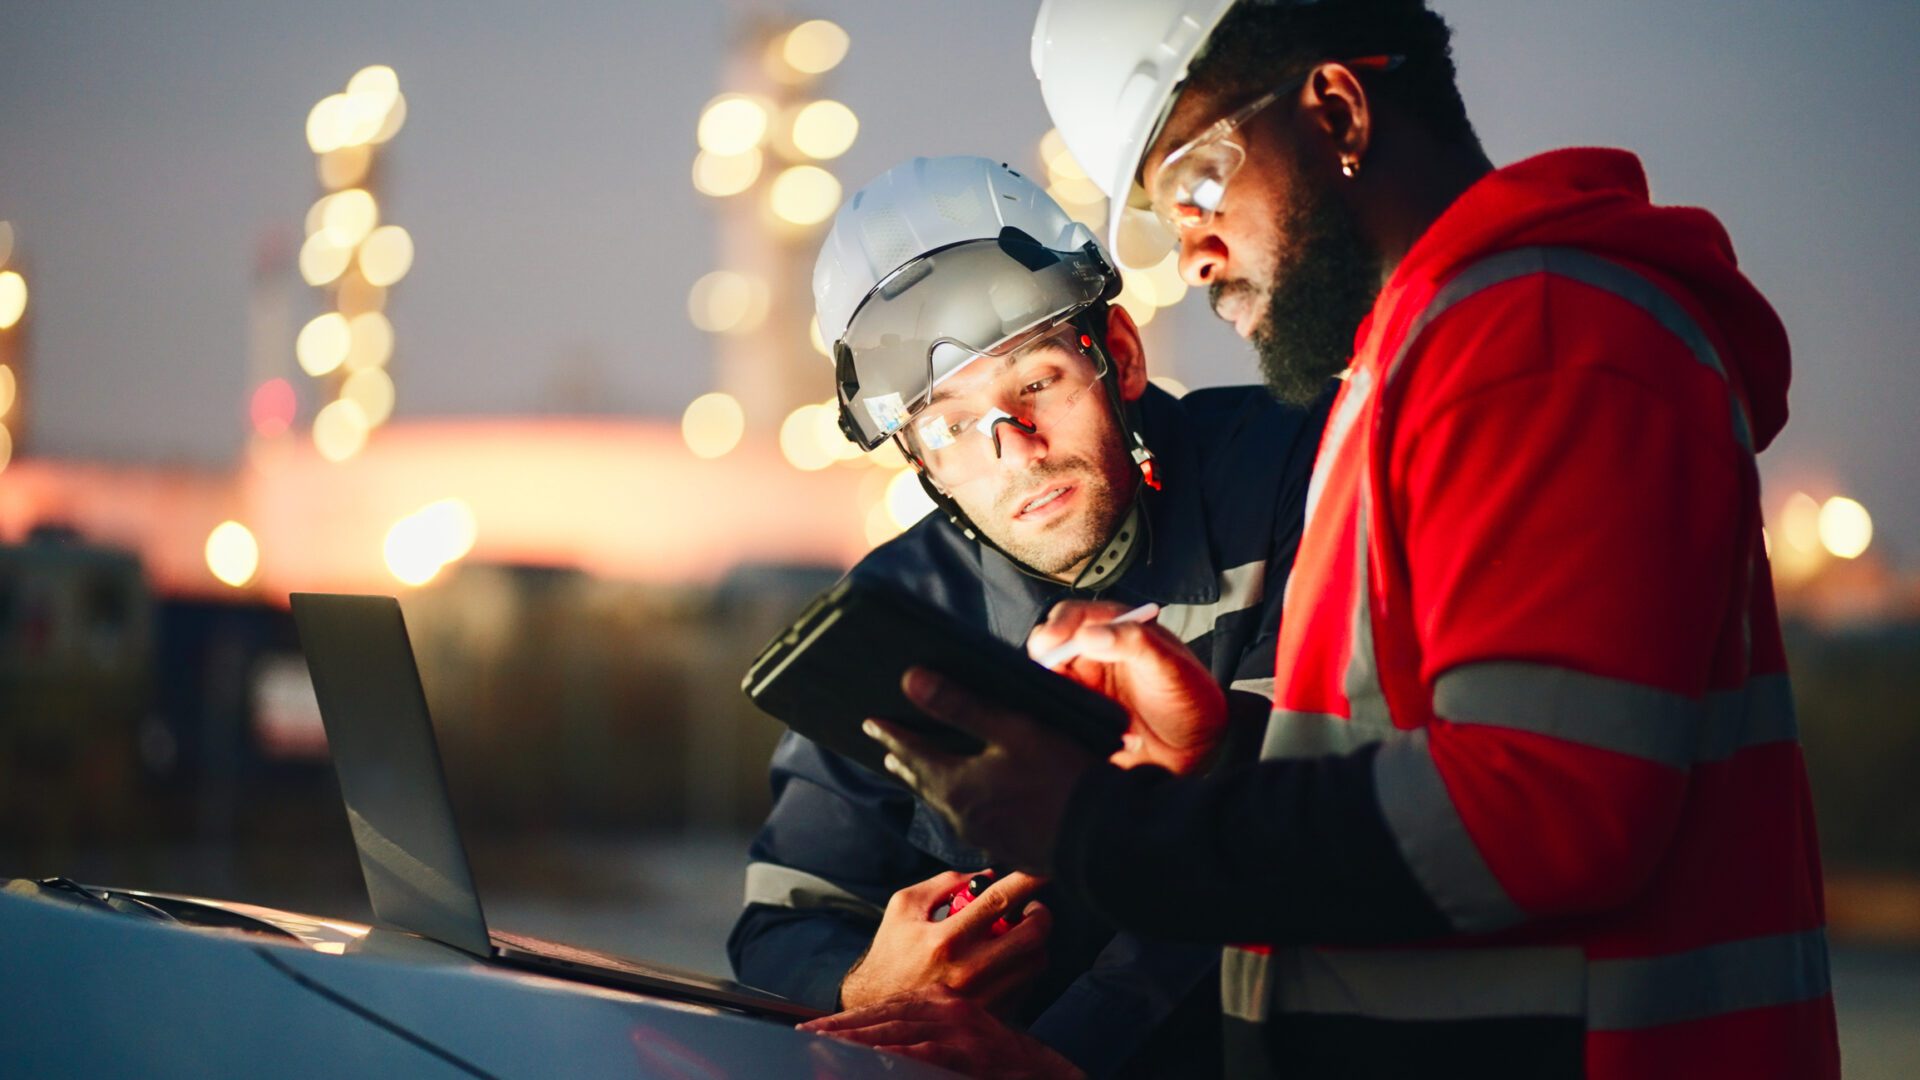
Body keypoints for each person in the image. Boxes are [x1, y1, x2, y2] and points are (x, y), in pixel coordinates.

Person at [831, 2, 1840, 1078]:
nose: (1195, 253)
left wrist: (1095, 824)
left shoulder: (1540, 336)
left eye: (1193, 186)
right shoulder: (1414, 372)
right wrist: (1207, 764)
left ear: (1337, 112)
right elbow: (1431, 793)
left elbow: (1539, 812)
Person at [730, 155, 1331, 1077]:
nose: (1013, 450)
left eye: (1037, 383)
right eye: (951, 424)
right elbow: (783, 922)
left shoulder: (1295, 475)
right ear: (922, 463)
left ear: (1119, 356)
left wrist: (1055, 1058)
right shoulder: (896, 617)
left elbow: (1292, 849)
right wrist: (866, 990)